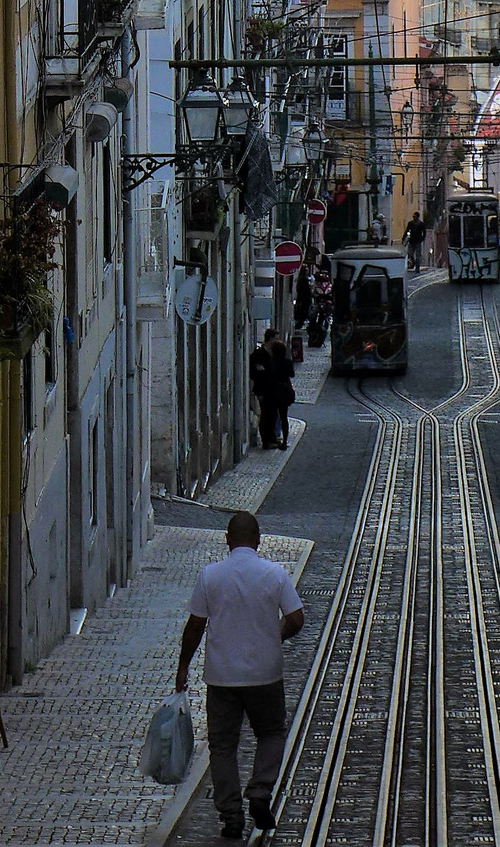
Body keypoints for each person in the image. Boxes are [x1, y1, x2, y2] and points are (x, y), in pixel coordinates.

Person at [176, 512, 305, 838]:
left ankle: (231, 815)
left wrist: (183, 666)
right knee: (272, 733)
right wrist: (275, 635)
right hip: (265, 674)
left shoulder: (210, 576)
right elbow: (296, 618)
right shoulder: (275, 574)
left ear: (228, 540)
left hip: (222, 677)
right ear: (258, 541)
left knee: (222, 746)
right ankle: (260, 789)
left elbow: (195, 626)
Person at [250, 328, 281, 449]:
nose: (277, 341)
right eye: (276, 338)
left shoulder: (275, 353)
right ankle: (266, 441)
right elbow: (255, 371)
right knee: (266, 415)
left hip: (274, 390)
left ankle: (272, 438)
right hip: (263, 390)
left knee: (273, 414)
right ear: (271, 339)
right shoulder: (259, 354)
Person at [269, 339, 296, 449]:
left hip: (273, 390)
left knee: (272, 416)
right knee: (284, 417)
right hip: (284, 391)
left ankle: (273, 439)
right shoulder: (287, 362)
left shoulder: (270, 362)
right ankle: (284, 441)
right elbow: (292, 374)